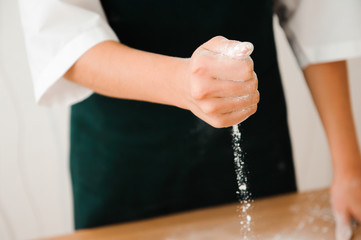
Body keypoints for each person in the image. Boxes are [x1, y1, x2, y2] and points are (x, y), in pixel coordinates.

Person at [18, 0, 361, 238]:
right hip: (124, 158)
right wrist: (183, 83)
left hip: (255, 137)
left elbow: (317, 17)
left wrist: (349, 170)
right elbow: (61, 37)